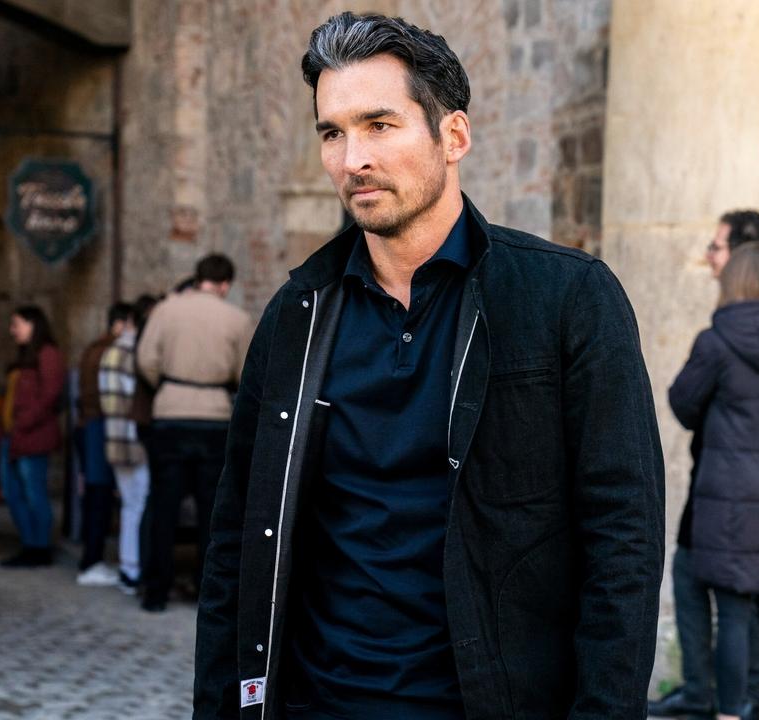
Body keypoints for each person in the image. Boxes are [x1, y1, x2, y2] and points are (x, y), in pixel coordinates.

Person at [192, 12, 664, 719]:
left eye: (379, 125)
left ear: (454, 136)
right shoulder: (298, 315)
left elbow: (623, 541)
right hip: (319, 703)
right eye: (332, 133)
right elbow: (237, 539)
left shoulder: (566, 299)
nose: (352, 159)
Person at [669, 243, 759, 720]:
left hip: (730, 499)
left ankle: (728, 715)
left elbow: (683, 404)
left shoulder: (715, 342)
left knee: (731, 614)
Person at [651, 210, 759, 720]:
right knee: (743, 591)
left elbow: (684, 401)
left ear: (742, 256)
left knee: (701, 580)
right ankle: (742, 694)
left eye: (717, 246)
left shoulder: (725, 333)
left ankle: (714, 694)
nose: (709, 255)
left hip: (724, 486)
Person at [136, 256, 252, 612]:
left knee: (164, 506)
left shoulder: (166, 310)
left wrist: (168, 386)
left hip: (170, 413)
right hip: (214, 417)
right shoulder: (237, 319)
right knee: (211, 511)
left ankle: (155, 591)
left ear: (198, 277)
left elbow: (145, 359)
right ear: (225, 284)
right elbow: (245, 372)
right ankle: (207, 591)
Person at [0, 304, 65, 568]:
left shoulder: (47, 353)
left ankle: (40, 547)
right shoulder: (25, 355)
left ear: (32, 324)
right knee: (12, 492)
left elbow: (50, 394)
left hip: (32, 435)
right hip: (13, 435)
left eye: (17, 324)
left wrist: (25, 421)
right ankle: (29, 544)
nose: (12, 330)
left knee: (33, 492)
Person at [75, 302, 134, 587]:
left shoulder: (93, 347)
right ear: (120, 324)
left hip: (89, 424)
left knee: (95, 494)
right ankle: (92, 561)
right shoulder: (110, 350)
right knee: (99, 496)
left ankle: (91, 558)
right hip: (100, 426)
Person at [98, 302, 149, 595]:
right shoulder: (134, 352)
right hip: (135, 439)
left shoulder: (111, 351)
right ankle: (135, 567)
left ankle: (128, 567)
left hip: (114, 436)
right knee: (139, 504)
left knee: (130, 505)